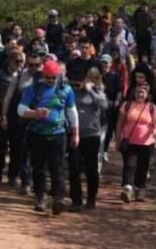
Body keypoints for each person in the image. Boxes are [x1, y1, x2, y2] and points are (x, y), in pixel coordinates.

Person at [18, 58, 78, 215]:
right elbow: (21, 109)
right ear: (43, 75)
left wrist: (76, 133)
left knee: (57, 167)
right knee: (38, 167)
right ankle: (41, 197)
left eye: (53, 78)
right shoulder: (33, 89)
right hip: (36, 133)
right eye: (48, 78)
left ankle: (58, 199)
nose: (51, 80)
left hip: (58, 134)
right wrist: (34, 113)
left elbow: (72, 111)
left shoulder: (66, 90)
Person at [1, 49, 42, 195]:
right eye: (31, 65)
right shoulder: (18, 77)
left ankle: (36, 182)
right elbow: (8, 97)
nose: (33, 68)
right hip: (20, 120)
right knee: (19, 150)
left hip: (39, 121)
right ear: (26, 64)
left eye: (36, 65)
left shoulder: (45, 78)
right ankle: (22, 180)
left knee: (36, 153)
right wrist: (4, 116)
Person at [68, 67, 107, 211]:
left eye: (79, 83)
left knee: (91, 169)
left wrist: (90, 90)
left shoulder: (96, 89)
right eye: (74, 83)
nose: (77, 85)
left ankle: (91, 198)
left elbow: (104, 105)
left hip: (91, 134)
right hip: (74, 135)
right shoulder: (69, 91)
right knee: (74, 167)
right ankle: (76, 200)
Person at [114, 83, 156, 204]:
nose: (140, 94)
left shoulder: (151, 107)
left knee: (142, 167)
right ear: (134, 93)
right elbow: (119, 123)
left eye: (142, 92)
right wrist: (117, 140)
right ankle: (127, 189)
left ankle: (139, 189)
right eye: (137, 92)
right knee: (130, 165)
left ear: (147, 94)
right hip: (129, 141)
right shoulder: (127, 105)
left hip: (147, 143)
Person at [0, 47, 21, 184]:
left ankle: (12, 175)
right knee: (1, 146)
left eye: (21, 61)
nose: (19, 64)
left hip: (16, 114)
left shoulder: (21, 76)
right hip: (0, 111)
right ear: (10, 61)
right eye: (17, 61)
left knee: (16, 146)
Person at [99, 54, 124, 161]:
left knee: (109, 130)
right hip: (99, 105)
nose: (104, 65)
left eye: (106, 63)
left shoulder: (115, 75)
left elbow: (119, 90)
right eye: (103, 62)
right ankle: (98, 150)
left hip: (112, 107)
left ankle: (105, 150)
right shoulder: (97, 75)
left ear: (110, 64)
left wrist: (117, 101)